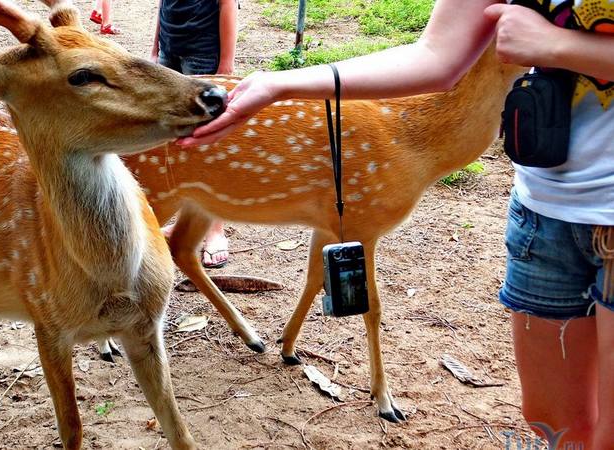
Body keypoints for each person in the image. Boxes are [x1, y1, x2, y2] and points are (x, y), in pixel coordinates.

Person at [179, 1, 614, 448]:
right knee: (551, 421)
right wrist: (278, 84)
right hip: (543, 211)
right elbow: (435, 56)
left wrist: (558, 45)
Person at [151, 0, 238, 268]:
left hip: (203, 55)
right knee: (175, 142)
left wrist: (225, 64)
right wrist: (156, 50)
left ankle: (215, 230)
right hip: (170, 51)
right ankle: (186, 223)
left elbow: (228, 4)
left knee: (207, 144)